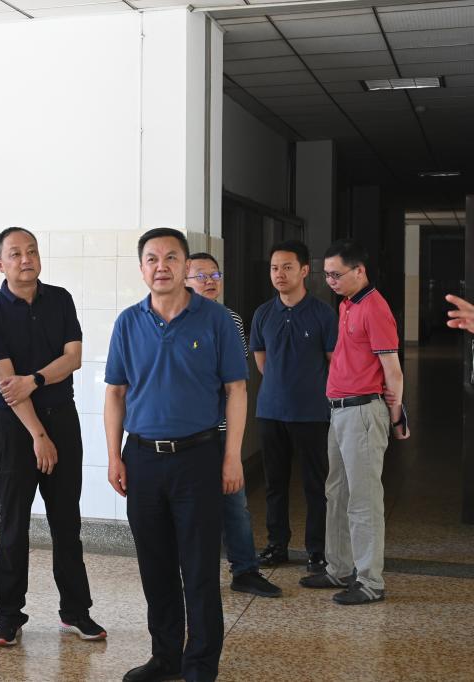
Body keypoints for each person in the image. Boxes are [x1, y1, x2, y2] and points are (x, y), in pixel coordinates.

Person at [105, 228, 247, 682]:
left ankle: (200, 664)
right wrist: (114, 456)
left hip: (199, 456)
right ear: (141, 268)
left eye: (171, 257)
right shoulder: (128, 322)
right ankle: (165, 656)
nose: (161, 266)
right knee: (156, 566)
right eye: (152, 258)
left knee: (200, 567)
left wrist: (232, 456)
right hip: (143, 459)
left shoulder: (215, 319)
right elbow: (115, 393)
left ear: (186, 266)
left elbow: (237, 390)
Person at [0, 226, 106, 646]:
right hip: (15, 431)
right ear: (0, 264)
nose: (25, 259)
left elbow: (73, 358)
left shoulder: (61, 299)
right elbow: (6, 384)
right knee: (13, 524)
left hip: (63, 421)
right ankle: (8, 616)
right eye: (15, 254)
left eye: (31, 251)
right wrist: (37, 435)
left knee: (67, 522)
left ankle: (76, 612)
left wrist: (34, 379)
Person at [300, 239, 408, 605]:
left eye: (336, 275)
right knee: (337, 493)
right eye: (326, 275)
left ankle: (370, 581)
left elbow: (392, 370)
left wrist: (397, 416)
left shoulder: (374, 308)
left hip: (362, 412)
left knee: (363, 499)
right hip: (340, 411)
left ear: (359, 271)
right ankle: (339, 567)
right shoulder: (348, 304)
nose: (330, 281)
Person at [184, 252, 280, 598]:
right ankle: (195, 574)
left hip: (222, 429)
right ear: (184, 280)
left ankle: (245, 570)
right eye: (201, 276)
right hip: (187, 433)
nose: (210, 281)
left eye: (215, 275)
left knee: (235, 503)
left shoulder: (231, 319)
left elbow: (235, 378)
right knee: (192, 509)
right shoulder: (174, 318)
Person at [250, 241, 337, 574]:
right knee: (275, 484)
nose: (279, 274)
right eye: (274, 268)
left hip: (312, 412)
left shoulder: (323, 313)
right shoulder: (263, 313)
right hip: (270, 411)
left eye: (287, 267)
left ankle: (317, 550)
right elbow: (262, 362)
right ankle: (277, 545)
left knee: (316, 485)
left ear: (304, 271)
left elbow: (333, 362)